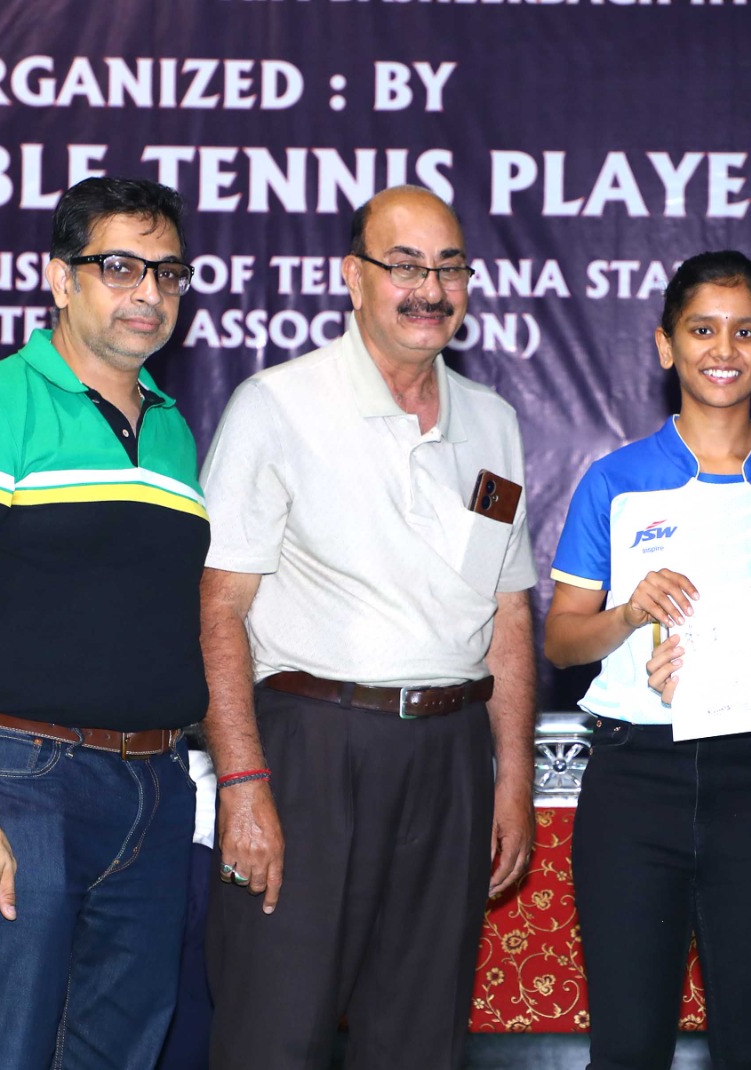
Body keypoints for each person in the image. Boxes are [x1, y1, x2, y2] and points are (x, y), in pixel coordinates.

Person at [200, 184, 537, 1069]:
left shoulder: (493, 424)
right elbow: (219, 609)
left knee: (419, 1041)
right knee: (276, 1034)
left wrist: (512, 781)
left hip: (453, 758)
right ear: (353, 278)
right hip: (311, 752)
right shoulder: (277, 405)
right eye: (405, 266)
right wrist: (242, 783)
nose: (430, 289)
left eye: (450, 268)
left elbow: (508, 612)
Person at [0, 177, 206, 1068]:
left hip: (155, 786)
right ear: (60, 279)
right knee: (2, 1049)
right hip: (20, 779)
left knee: (119, 1054)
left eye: (168, 272)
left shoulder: (174, 431)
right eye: (121, 267)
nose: (150, 292)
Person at [545, 250, 751, 1070]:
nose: (724, 349)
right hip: (636, 781)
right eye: (702, 329)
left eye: (745, 332)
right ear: (665, 344)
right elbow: (561, 640)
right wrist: (629, 613)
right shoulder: (614, 482)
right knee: (627, 1047)